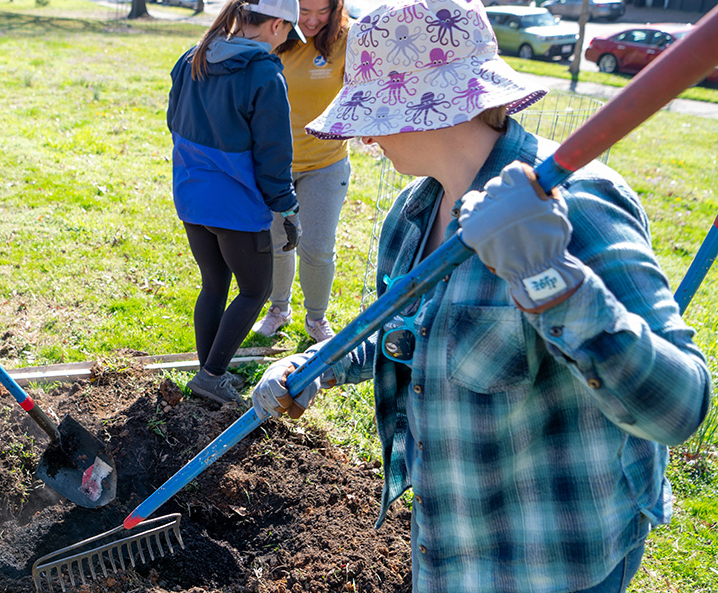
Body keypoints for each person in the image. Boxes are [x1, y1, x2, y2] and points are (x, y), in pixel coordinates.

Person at [251, 0, 712, 591]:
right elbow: (406, 329)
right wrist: (317, 365)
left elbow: (678, 407)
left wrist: (550, 278)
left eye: (373, 112)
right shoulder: (413, 212)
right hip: (448, 549)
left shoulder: (576, 206)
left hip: (553, 561)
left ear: (431, 108)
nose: (362, 134)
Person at [168, 0, 305, 404]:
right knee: (255, 289)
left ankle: (206, 373)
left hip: (192, 195)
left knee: (214, 282)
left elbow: (174, 119)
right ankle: (211, 376)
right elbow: (274, 152)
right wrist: (287, 207)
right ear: (277, 25)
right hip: (237, 205)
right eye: (287, 34)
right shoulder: (262, 72)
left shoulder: (192, 57)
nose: (284, 43)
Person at [252, 0, 350, 343]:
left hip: (325, 162)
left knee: (318, 246)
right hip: (276, 165)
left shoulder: (347, 39)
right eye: (303, 11)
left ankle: (317, 317)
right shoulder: (275, 34)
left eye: (321, 11)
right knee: (278, 241)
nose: (311, 20)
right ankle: (278, 309)